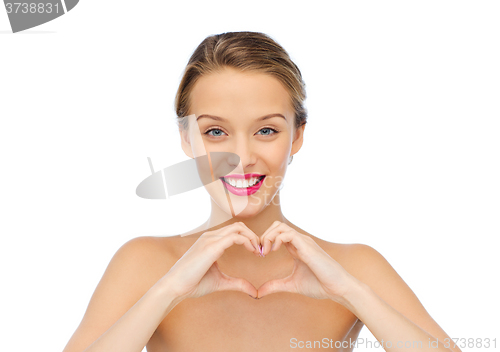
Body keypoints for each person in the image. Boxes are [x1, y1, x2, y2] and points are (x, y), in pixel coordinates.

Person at [62, 31, 461, 352]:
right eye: (215, 132)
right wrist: (167, 291)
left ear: (297, 136)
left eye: (266, 130)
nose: (241, 157)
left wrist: (351, 293)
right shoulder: (145, 264)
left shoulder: (352, 267)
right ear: (186, 139)